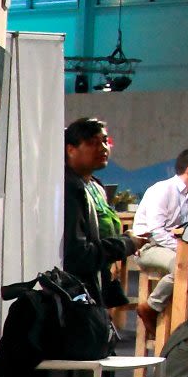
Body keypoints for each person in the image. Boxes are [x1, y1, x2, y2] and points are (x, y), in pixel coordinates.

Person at [62, 117, 134, 309]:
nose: (103, 148)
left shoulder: (95, 186)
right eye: (93, 143)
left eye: (105, 141)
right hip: (76, 295)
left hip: (98, 283)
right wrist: (126, 244)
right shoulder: (70, 188)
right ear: (71, 149)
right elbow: (78, 255)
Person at [133, 148, 188, 255]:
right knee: (179, 264)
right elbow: (156, 232)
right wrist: (183, 250)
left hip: (179, 245)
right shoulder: (162, 190)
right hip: (150, 245)